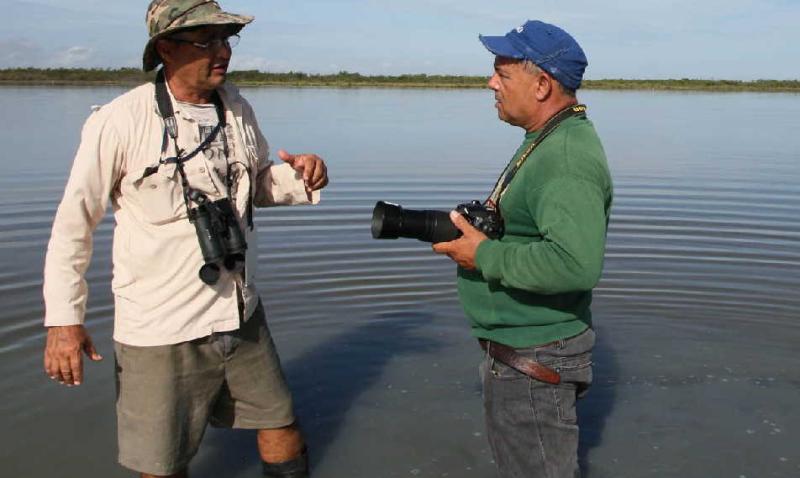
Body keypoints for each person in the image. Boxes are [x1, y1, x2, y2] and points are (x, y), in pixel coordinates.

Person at [41, 1, 327, 477]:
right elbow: (73, 227)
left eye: (225, 40)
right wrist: (64, 322)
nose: (222, 53)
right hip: (160, 327)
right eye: (206, 42)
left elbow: (251, 186)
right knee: (160, 463)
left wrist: (304, 177)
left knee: (281, 424)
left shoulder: (235, 106)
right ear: (165, 50)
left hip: (240, 312)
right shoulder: (118, 121)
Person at [432, 20, 613, 478]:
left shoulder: (566, 155)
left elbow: (575, 264)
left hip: (535, 358)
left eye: (502, 74)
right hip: (523, 352)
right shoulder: (546, 139)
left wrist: (484, 256)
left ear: (541, 85)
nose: (490, 82)